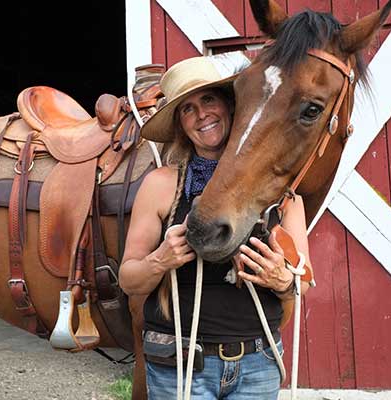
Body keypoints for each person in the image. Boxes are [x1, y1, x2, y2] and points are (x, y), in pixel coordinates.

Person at [119, 54, 311, 400]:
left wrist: (282, 280)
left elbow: (302, 280)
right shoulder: (162, 186)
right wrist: (161, 259)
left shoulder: (281, 192)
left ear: (230, 106)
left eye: (209, 99)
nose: (201, 114)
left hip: (258, 362)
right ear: (180, 124)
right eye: (187, 109)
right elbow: (129, 279)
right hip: (180, 362)